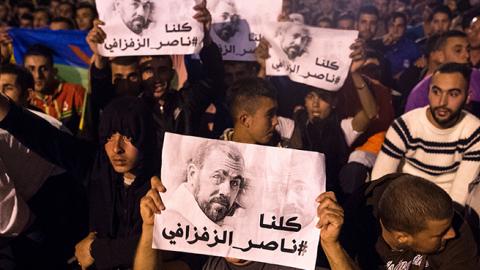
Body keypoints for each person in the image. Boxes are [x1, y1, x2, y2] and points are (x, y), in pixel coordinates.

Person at [318, 173, 479, 269]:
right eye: (441, 234)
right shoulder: (352, 224)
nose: (451, 233)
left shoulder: (452, 226)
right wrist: (331, 245)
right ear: (402, 237)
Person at [372, 63, 480, 207]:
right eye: (436, 92)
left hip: (446, 208)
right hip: (404, 204)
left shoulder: (474, 131)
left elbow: (460, 195)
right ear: (428, 92)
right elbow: (380, 181)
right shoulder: (405, 125)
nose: (442, 102)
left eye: (453, 94)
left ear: (467, 96)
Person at [166, 141, 246, 228]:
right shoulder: (168, 219)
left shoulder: (239, 224)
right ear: (193, 174)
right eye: (217, 177)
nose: (227, 192)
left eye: (234, 183)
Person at [404, 30, 479, 113]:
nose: (467, 55)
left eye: (468, 50)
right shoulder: (422, 91)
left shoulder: (477, 76)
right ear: (440, 56)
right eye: (458, 50)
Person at [23, 44, 87, 135]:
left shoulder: (74, 91)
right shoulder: (21, 98)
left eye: (44, 69)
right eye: (31, 69)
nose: (38, 75)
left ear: (54, 71)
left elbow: (88, 128)